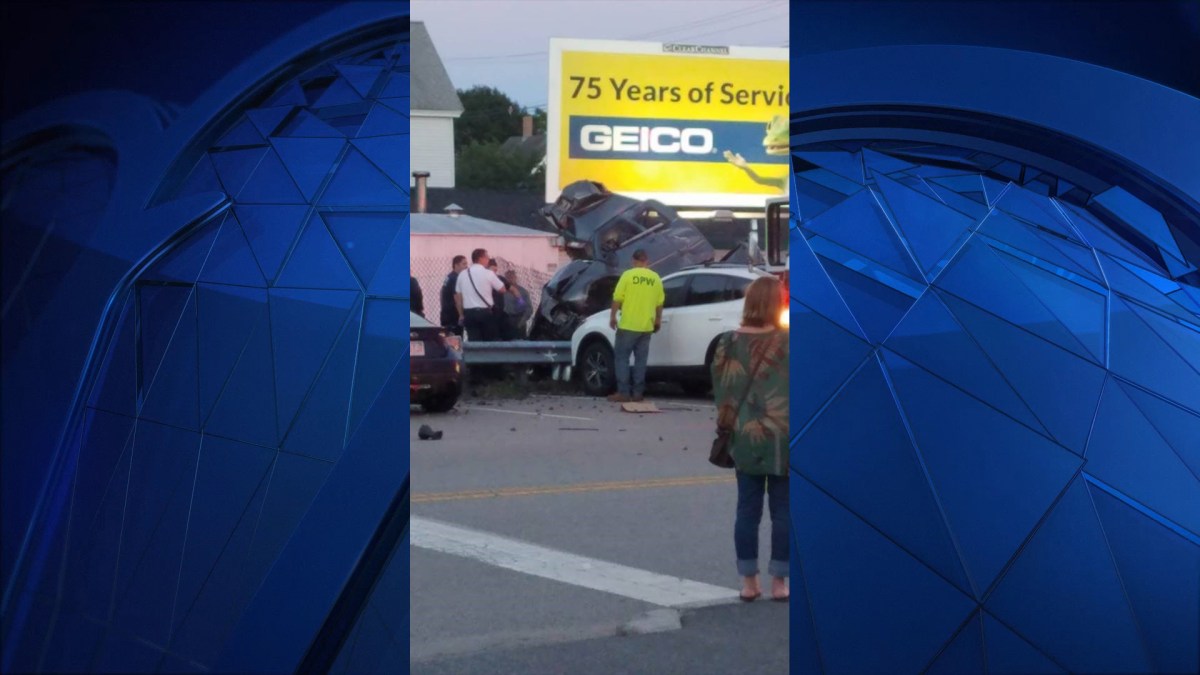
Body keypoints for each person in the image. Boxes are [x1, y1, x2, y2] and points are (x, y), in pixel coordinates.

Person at [711, 275, 789, 602]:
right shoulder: (791, 342)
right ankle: (780, 584)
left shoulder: (727, 342)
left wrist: (727, 427)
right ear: (778, 304)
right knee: (784, 512)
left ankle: (748, 583)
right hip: (784, 438)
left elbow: (722, 392)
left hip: (744, 437)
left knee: (747, 510)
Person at [607, 249, 664, 403]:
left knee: (622, 358)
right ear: (647, 261)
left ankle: (623, 393)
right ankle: (638, 393)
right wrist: (658, 319)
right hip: (646, 327)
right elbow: (659, 303)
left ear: (633, 261)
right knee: (640, 360)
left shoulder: (628, 276)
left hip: (628, 325)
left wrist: (612, 317)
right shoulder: (655, 278)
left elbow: (617, 298)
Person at [455, 248, 506, 342]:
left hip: (469, 313)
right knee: (489, 341)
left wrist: (461, 315)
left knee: (474, 341)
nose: (488, 260)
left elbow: (458, 298)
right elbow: (502, 289)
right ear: (480, 258)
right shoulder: (488, 273)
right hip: (485, 312)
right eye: (487, 257)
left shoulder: (462, 274)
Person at [440, 255, 467, 334]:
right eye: (464, 264)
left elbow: (441, 294)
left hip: (446, 314)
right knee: (456, 340)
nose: (466, 266)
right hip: (453, 316)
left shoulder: (449, 276)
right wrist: (461, 315)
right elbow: (457, 298)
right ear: (456, 265)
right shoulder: (455, 278)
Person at [502, 270, 532, 339]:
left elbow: (528, 309)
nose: (510, 279)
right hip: (505, 322)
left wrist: (522, 322)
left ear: (515, 277)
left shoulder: (523, 291)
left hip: (519, 322)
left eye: (512, 277)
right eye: (508, 277)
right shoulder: (502, 292)